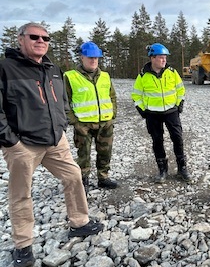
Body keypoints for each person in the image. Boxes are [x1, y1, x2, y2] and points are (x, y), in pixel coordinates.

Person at [0, 22, 104, 267]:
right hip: (23, 144)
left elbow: (62, 101)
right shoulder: (6, 69)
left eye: (46, 38)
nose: (41, 41)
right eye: (34, 36)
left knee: (73, 175)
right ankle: (23, 245)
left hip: (55, 140)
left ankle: (79, 223)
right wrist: (11, 141)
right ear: (20, 39)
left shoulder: (52, 69)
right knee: (21, 193)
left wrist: (62, 124)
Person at [132, 43, 191, 182]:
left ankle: (182, 169)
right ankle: (162, 170)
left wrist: (179, 103)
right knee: (157, 141)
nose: (164, 60)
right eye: (161, 57)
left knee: (178, 139)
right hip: (152, 114)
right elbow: (136, 95)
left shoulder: (172, 72)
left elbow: (180, 89)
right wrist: (142, 110)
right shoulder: (142, 76)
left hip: (171, 112)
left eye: (165, 57)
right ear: (152, 58)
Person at [64, 42, 118, 193]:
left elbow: (112, 96)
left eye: (96, 58)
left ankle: (103, 177)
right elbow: (65, 101)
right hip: (84, 124)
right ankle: (83, 180)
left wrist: (112, 115)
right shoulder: (70, 77)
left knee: (105, 152)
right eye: (90, 57)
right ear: (82, 57)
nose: (93, 60)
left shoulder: (105, 76)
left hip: (105, 123)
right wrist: (74, 121)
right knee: (83, 154)